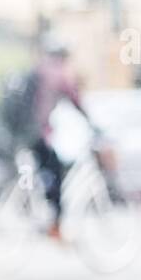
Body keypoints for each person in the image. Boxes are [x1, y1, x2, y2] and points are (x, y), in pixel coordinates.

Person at [28, 36, 91, 239]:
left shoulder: (39, 70)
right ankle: (53, 224)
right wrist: (92, 123)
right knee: (54, 173)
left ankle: (46, 216)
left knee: (48, 170)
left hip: (28, 132)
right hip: (37, 133)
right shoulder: (59, 73)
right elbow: (75, 100)